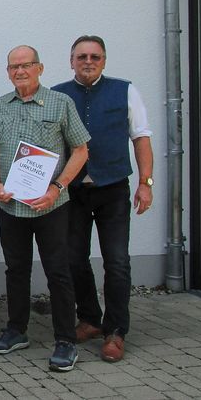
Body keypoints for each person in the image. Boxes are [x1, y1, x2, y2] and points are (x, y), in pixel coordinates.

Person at [0, 45, 90, 372]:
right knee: (16, 270)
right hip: (11, 206)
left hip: (50, 206)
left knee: (58, 271)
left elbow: (81, 151)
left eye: (26, 65)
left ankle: (65, 340)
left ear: (39, 68)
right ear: (8, 72)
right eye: (13, 66)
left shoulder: (61, 103)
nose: (19, 71)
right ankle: (16, 330)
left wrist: (57, 188)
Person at [52, 35, 154, 362]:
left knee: (117, 262)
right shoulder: (58, 94)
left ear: (104, 61)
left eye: (95, 56)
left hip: (112, 188)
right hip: (74, 191)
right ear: (71, 61)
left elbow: (141, 138)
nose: (88, 61)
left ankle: (116, 331)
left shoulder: (125, 91)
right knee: (73, 259)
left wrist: (146, 182)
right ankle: (90, 319)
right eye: (81, 56)